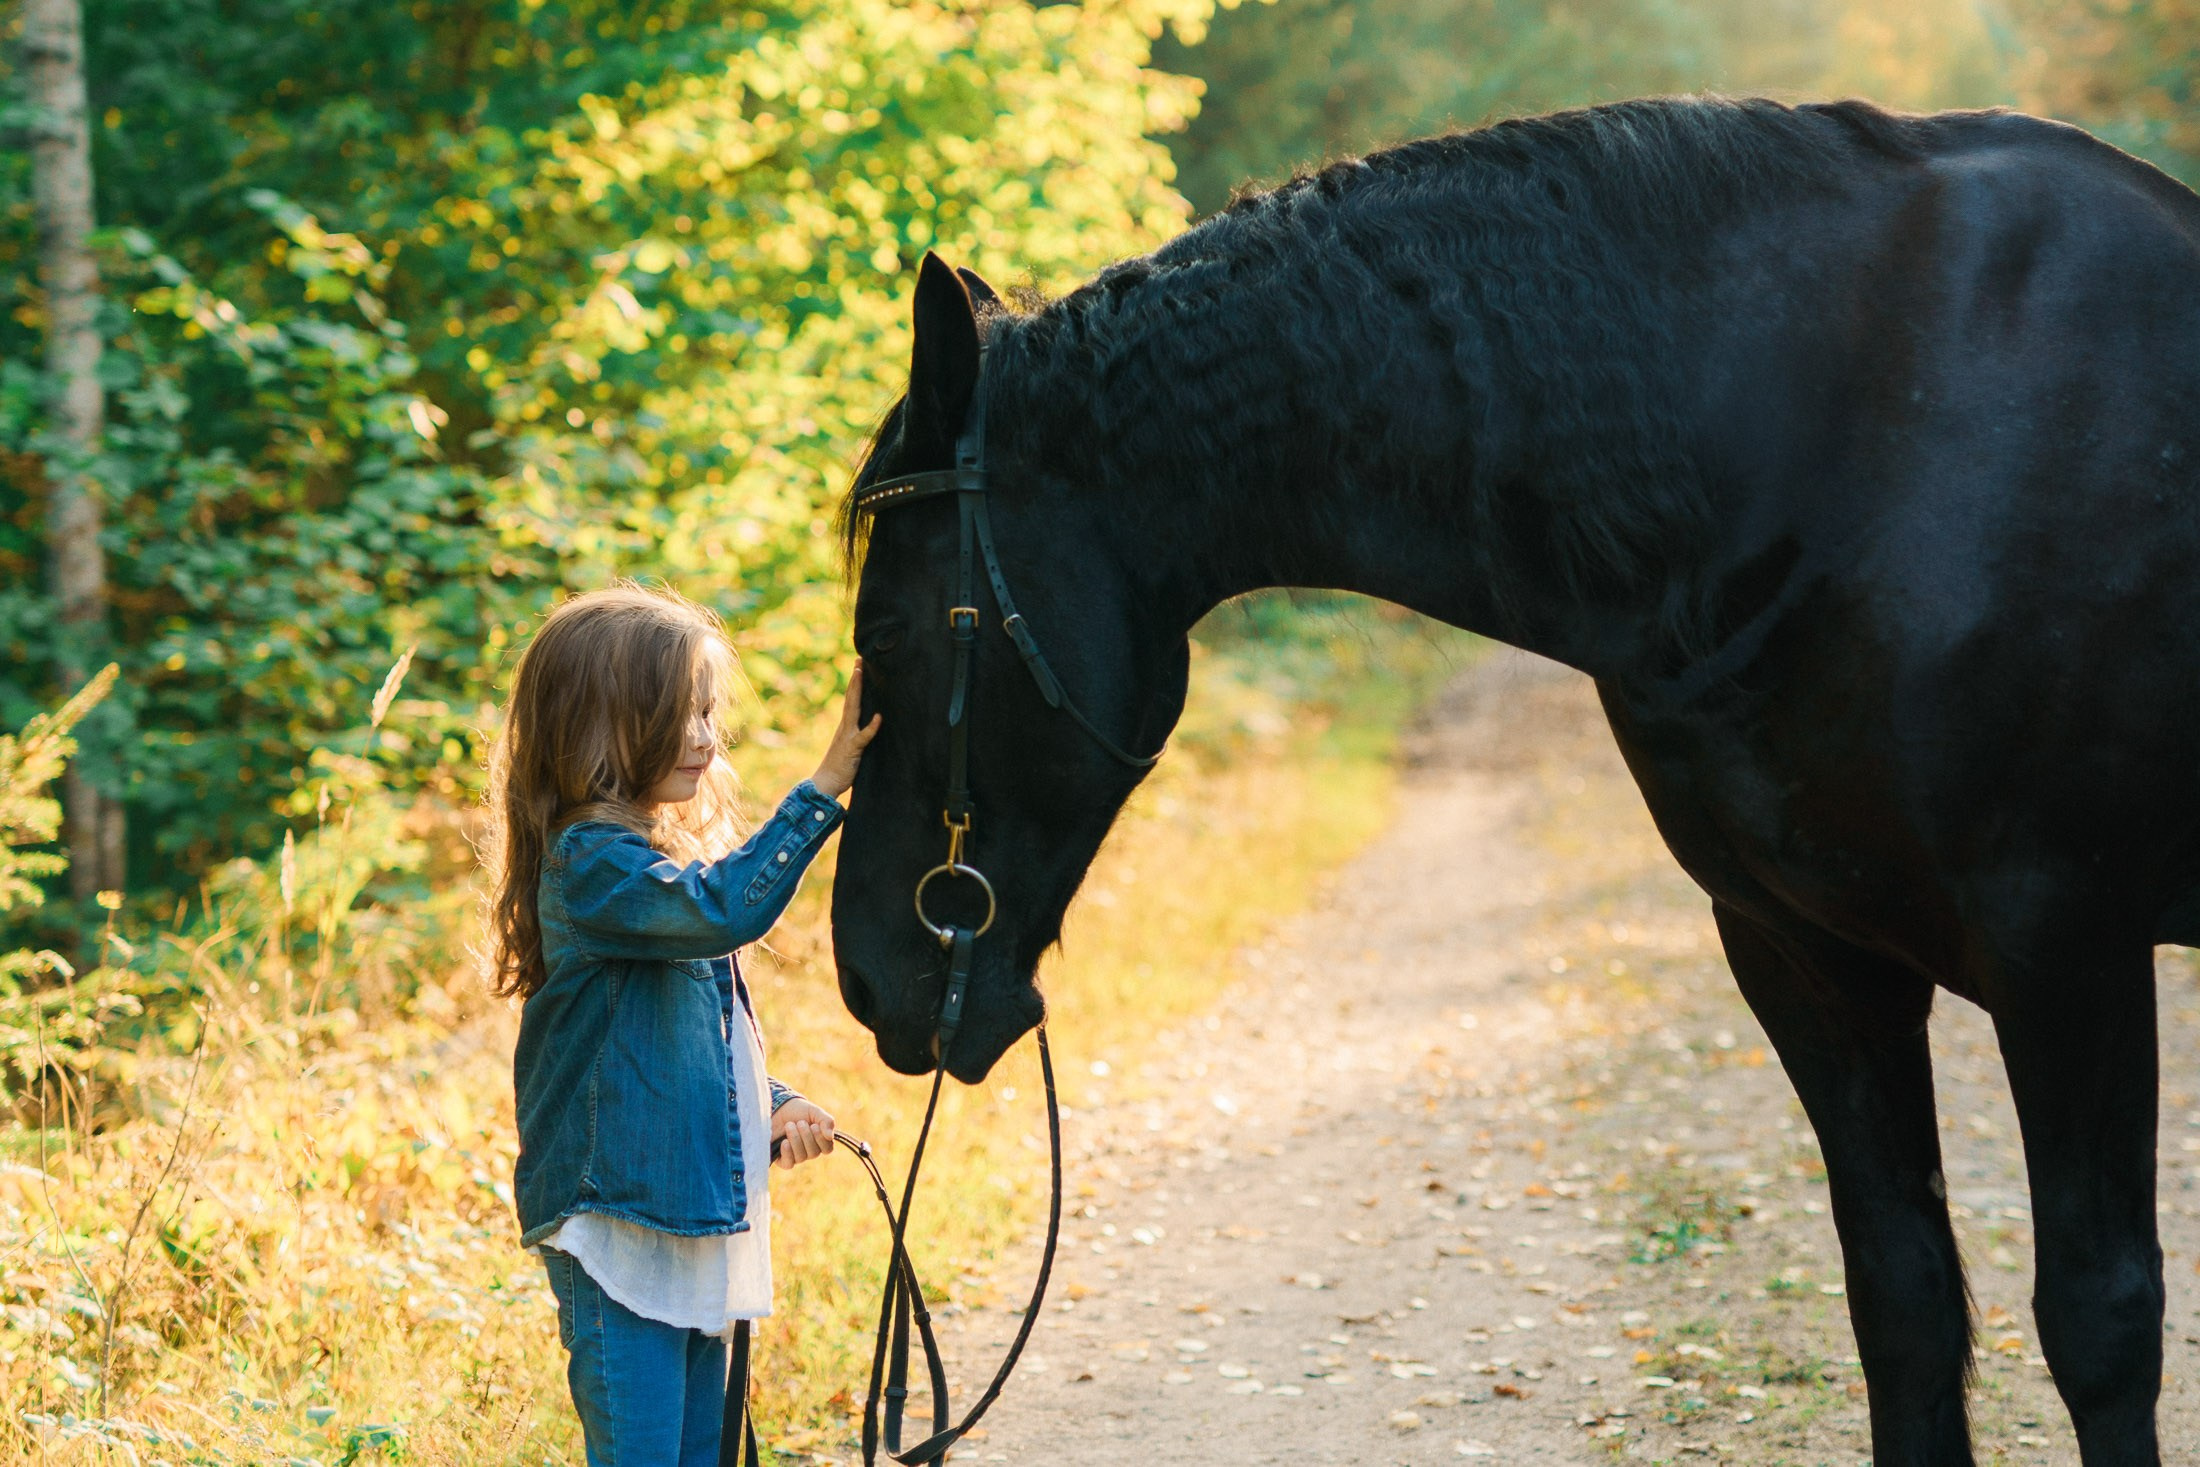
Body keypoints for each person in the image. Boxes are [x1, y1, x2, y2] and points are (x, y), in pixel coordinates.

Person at [484, 582, 879, 1463]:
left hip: (690, 1225)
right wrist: (823, 788)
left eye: (708, 713)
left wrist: (773, 1101)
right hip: (618, 1231)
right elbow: (724, 911)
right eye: (679, 713)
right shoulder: (592, 864)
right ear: (598, 727)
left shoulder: (656, 869)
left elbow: (693, 1044)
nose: (704, 736)